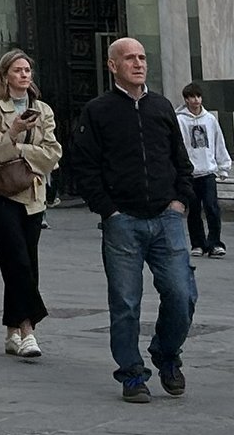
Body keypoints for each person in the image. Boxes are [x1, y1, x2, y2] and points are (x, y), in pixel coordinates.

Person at [68, 36, 196, 403]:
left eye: (142, 57)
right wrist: (108, 209)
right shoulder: (98, 111)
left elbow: (180, 159)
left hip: (166, 216)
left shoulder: (161, 107)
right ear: (112, 66)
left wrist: (179, 199)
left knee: (182, 293)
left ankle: (167, 354)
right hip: (122, 220)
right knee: (125, 302)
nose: (138, 64)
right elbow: (84, 165)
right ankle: (131, 374)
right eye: (129, 59)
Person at [0, 49, 63, 360]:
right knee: (16, 260)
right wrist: (13, 132)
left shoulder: (43, 110)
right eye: (18, 70)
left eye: (28, 70)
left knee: (27, 260)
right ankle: (28, 330)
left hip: (32, 195)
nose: (25, 75)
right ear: (5, 76)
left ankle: (11, 329)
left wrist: (16, 147)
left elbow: (52, 154)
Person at [175, 85, 227, 260]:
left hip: (208, 171)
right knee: (194, 209)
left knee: (212, 207)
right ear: (186, 99)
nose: (196, 100)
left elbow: (218, 141)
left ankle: (215, 243)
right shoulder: (180, 120)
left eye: (198, 96)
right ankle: (198, 243)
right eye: (192, 97)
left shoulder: (210, 119)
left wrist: (223, 166)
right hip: (190, 173)